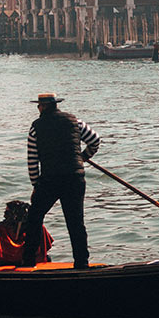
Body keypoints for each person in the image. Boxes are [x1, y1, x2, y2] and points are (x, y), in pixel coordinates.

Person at [23, 93, 101, 269]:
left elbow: (32, 160)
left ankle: (28, 261)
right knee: (75, 222)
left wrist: (35, 185)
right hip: (75, 178)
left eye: (38, 106)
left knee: (34, 217)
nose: (38, 109)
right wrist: (83, 157)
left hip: (50, 180)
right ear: (55, 105)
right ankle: (82, 263)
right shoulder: (75, 122)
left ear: (42, 107)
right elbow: (95, 141)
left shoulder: (36, 127)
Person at [0, 200, 53, 266]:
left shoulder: (2, 228)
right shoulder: (37, 227)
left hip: (10, 261)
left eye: (7, 212)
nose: (5, 214)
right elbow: (47, 245)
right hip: (34, 260)